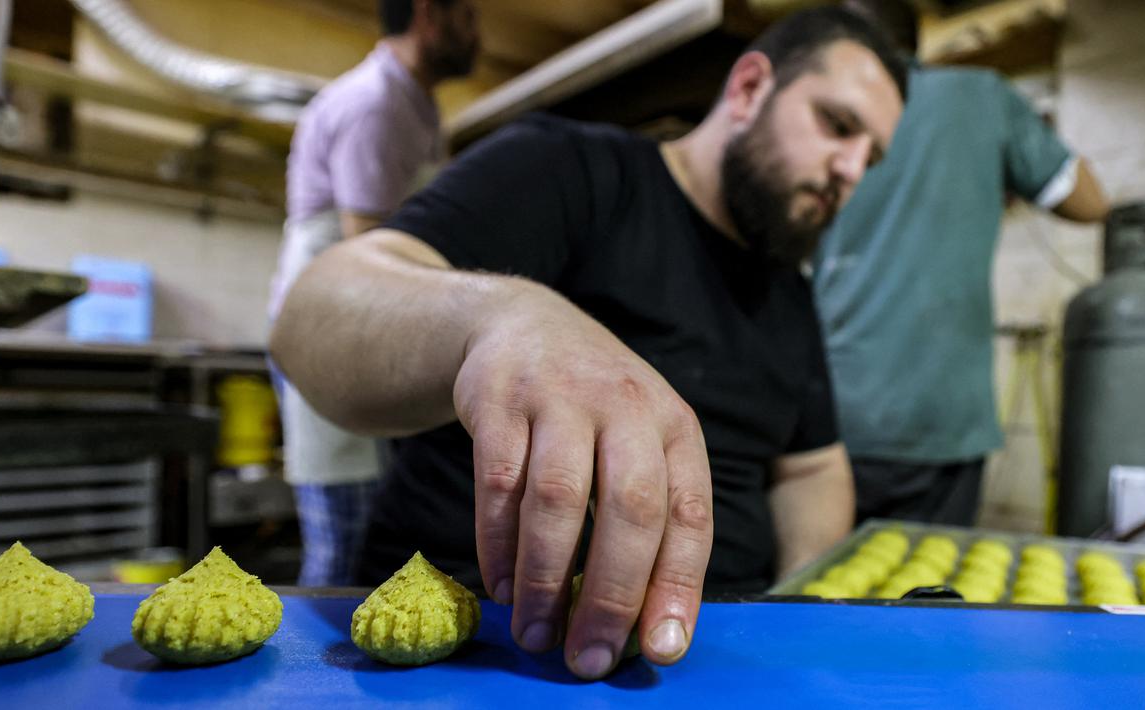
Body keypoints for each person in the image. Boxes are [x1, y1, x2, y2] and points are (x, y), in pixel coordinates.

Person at [273, 7, 904, 679]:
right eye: (837, 126)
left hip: (715, 658)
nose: (850, 170)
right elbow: (311, 312)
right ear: (749, 88)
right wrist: (499, 319)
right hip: (484, 653)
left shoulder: (787, 294)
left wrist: (792, 612)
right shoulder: (568, 171)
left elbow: (811, 468)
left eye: (872, 156)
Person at [812, 0, 1109, 527]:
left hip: (829, 411)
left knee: (817, 590)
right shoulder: (979, 97)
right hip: (940, 412)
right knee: (927, 594)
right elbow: (1089, 202)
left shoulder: (813, 118)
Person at [268, 0, 479, 587]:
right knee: (344, 548)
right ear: (428, 16)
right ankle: (316, 679)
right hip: (332, 330)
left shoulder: (417, 106)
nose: (477, 35)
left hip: (367, 330)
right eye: (468, 18)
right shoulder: (376, 103)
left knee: (371, 536)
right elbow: (371, 258)